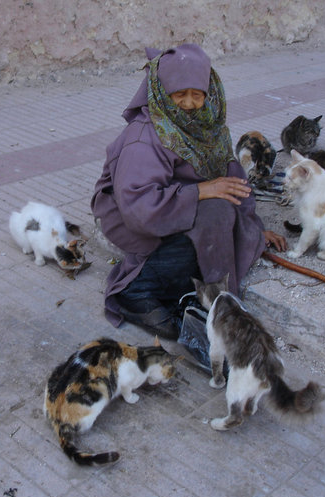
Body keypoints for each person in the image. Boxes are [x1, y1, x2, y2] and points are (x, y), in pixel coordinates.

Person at [91, 43, 286, 339]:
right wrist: (202, 192)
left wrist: (255, 229)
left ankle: (206, 297)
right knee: (216, 216)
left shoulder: (208, 126)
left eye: (197, 94)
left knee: (224, 217)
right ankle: (136, 289)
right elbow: (138, 207)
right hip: (134, 214)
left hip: (175, 203)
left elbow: (231, 179)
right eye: (179, 95)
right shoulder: (144, 137)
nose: (189, 104)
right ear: (161, 92)